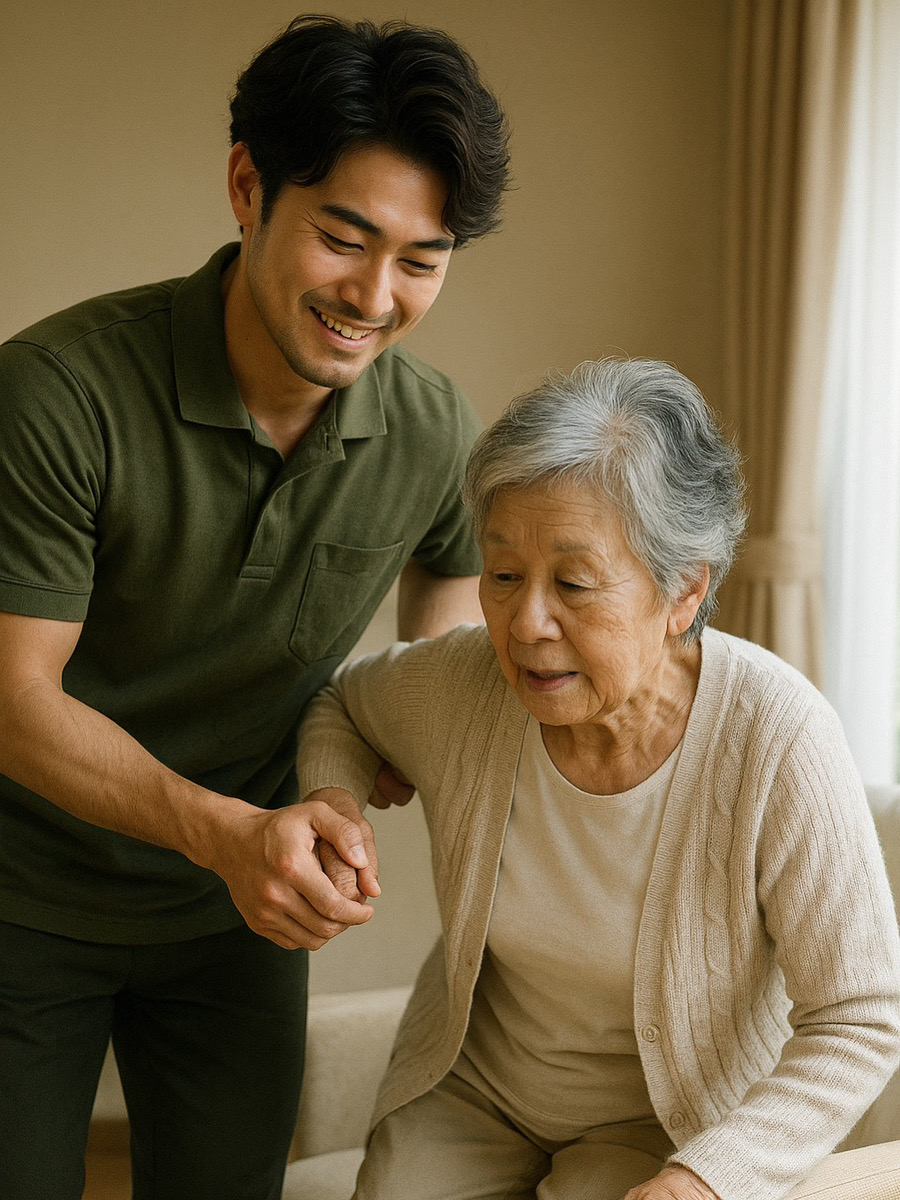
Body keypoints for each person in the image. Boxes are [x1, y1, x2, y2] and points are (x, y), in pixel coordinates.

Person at [0, 15, 509, 1200]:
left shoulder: (431, 427)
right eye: (344, 237)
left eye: (422, 260)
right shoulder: (54, 394)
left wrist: (406, 707)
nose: (375, 298)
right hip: (21, 900)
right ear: (247, 186)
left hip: (239, 926)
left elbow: (452, 563)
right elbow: (14, 700)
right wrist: (227, 833)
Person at [297, 357, 900, 1200]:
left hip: (663, 1121)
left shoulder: (776, 734)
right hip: (475, 1093)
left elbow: (859, 1016)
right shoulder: (466, 684)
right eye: (503, 576)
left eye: (574, 583)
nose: (525, 621)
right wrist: (334, 798)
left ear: (684, 591)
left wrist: (709, 1176)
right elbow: (341, 705)